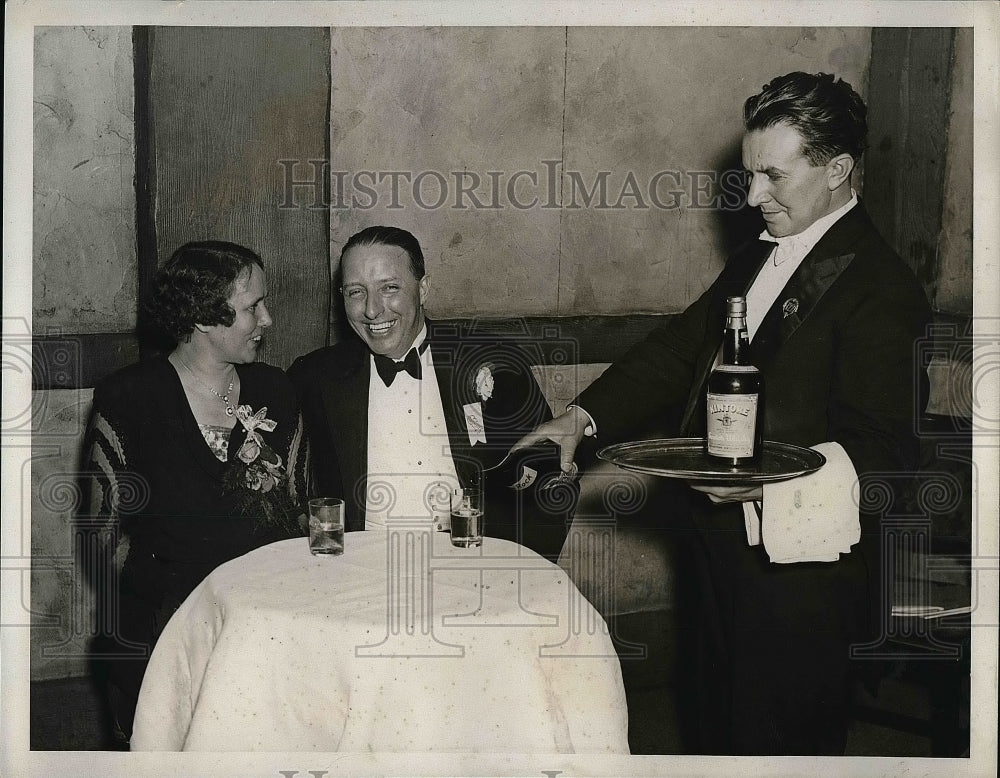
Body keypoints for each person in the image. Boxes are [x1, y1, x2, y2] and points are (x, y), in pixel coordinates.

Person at [514, 72, 932, 754]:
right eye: (747, 174)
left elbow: (887, 452)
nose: (753, 195)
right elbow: (677, 352)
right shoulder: (756, 260)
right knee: (714, 733)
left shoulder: (883, 290)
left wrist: (764, 481)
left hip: (800, 584)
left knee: (778, 746)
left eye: (773, 175)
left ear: (837, 169)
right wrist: (579, 419)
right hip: (718, 555)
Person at [83, 241, 306, 746]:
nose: (267, 319)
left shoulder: (276, 390)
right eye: (253, 307)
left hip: (262, 626)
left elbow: (300, 509)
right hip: (161, 631)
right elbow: (102, 532)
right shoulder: (129, 397)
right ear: (206, 316)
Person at [288, 226, 569, 559]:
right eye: (355, 292)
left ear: (423, 289)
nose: (372, 310)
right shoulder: (316, 377)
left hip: (473, 568)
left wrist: (520, 566)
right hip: (360, 573)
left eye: (389, 288)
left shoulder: (490, 360)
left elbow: (550, 468)